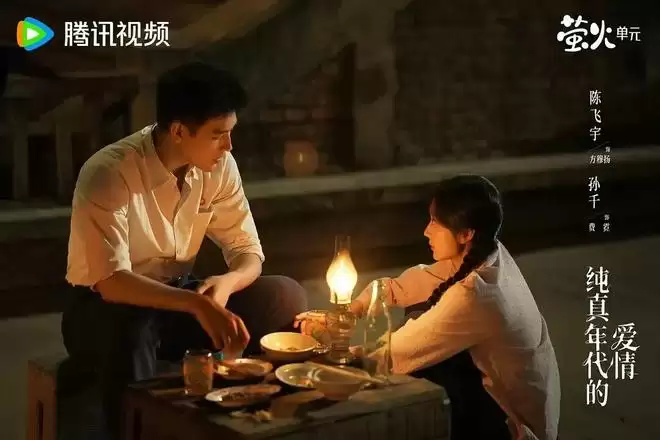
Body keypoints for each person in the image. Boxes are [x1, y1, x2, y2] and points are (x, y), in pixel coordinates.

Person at [61, 62, 308, 438]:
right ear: (178, 131)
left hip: (178, 299)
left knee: (285, 295)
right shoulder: (109, 172)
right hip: (104, 310)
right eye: (217, 135)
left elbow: (248, 251)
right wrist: (195, 304)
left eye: (230, 132)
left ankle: (253, 416)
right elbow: (111, 282)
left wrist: (227, 283)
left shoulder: (219, 165)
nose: (228, 146)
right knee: (133, 329)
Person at [297, 175, 560, 440]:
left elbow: (397, 352)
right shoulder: (488, 252)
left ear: (466, 234)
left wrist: (328, 354)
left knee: (410, 368)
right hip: (518, 398)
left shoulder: (478, 294)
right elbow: (408, 285)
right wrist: (350, 312)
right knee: (420, 311)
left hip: (515, 425)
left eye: (435, 222)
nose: (426, 231)